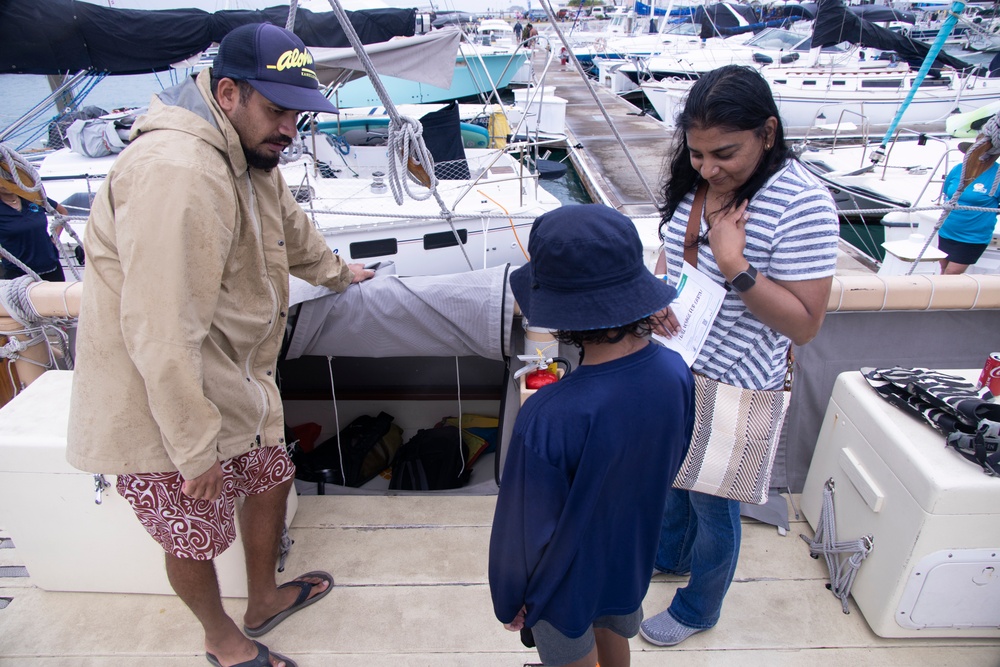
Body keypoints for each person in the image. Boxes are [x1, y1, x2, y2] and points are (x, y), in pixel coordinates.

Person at [67, 23, 374, 667]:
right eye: (276, 109)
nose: (289, 128)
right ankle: (222, 640)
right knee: (193, 531)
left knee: (270, 475)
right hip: (161, 400)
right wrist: (191, 445)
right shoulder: (177, 171)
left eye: (297, 112)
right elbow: (158, 328)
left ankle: (262, 598)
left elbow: (290, 227)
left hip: (232, 374)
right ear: (228, 92)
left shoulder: (250, 150)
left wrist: (336, 274)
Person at [639, 65, 839, 647]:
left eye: (724, 153)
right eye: (697, 154)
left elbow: (804, 325)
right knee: (677, 480)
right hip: (677, 363)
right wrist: (657, 296)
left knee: (714, 507)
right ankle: (669, 558)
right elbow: (670, 257)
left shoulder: (803, 202)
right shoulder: (697, 181)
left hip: (738, 385)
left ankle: (699, 608)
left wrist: (735, 266)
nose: (708, 168)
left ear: (768, 133)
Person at [489, 204, 695, 667]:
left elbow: (524, 530)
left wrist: (512, 596)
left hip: (563, 585)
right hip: (629, 557)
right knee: (613, 633)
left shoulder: (548, 414)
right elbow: (674, 456)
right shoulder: (674, 370)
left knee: (569, 649)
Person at [937, 158, 999, 274]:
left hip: (972, 237)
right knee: (943, 268)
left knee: (951, 273)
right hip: (947, 230)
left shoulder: (997, 174)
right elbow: (947, 191)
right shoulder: (958, 168)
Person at [0, 187, 70, 281]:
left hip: (51, 267)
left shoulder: (32, 197)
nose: (5, 184)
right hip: (18, 274)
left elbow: (62, 212)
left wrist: (55, 238)